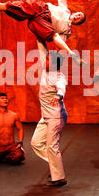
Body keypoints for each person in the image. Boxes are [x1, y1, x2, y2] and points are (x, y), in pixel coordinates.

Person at [31, 51, 68, 187]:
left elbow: (62, 88)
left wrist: (58, 96)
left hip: (56, 116)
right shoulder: (45, 72)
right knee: (36, 143)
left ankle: (59, 177)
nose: (43, 62)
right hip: (45, 116)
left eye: (46, 60)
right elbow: (41, 47)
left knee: (52, 146)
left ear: (52, 63)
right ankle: (55, 165)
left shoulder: (59, 77)